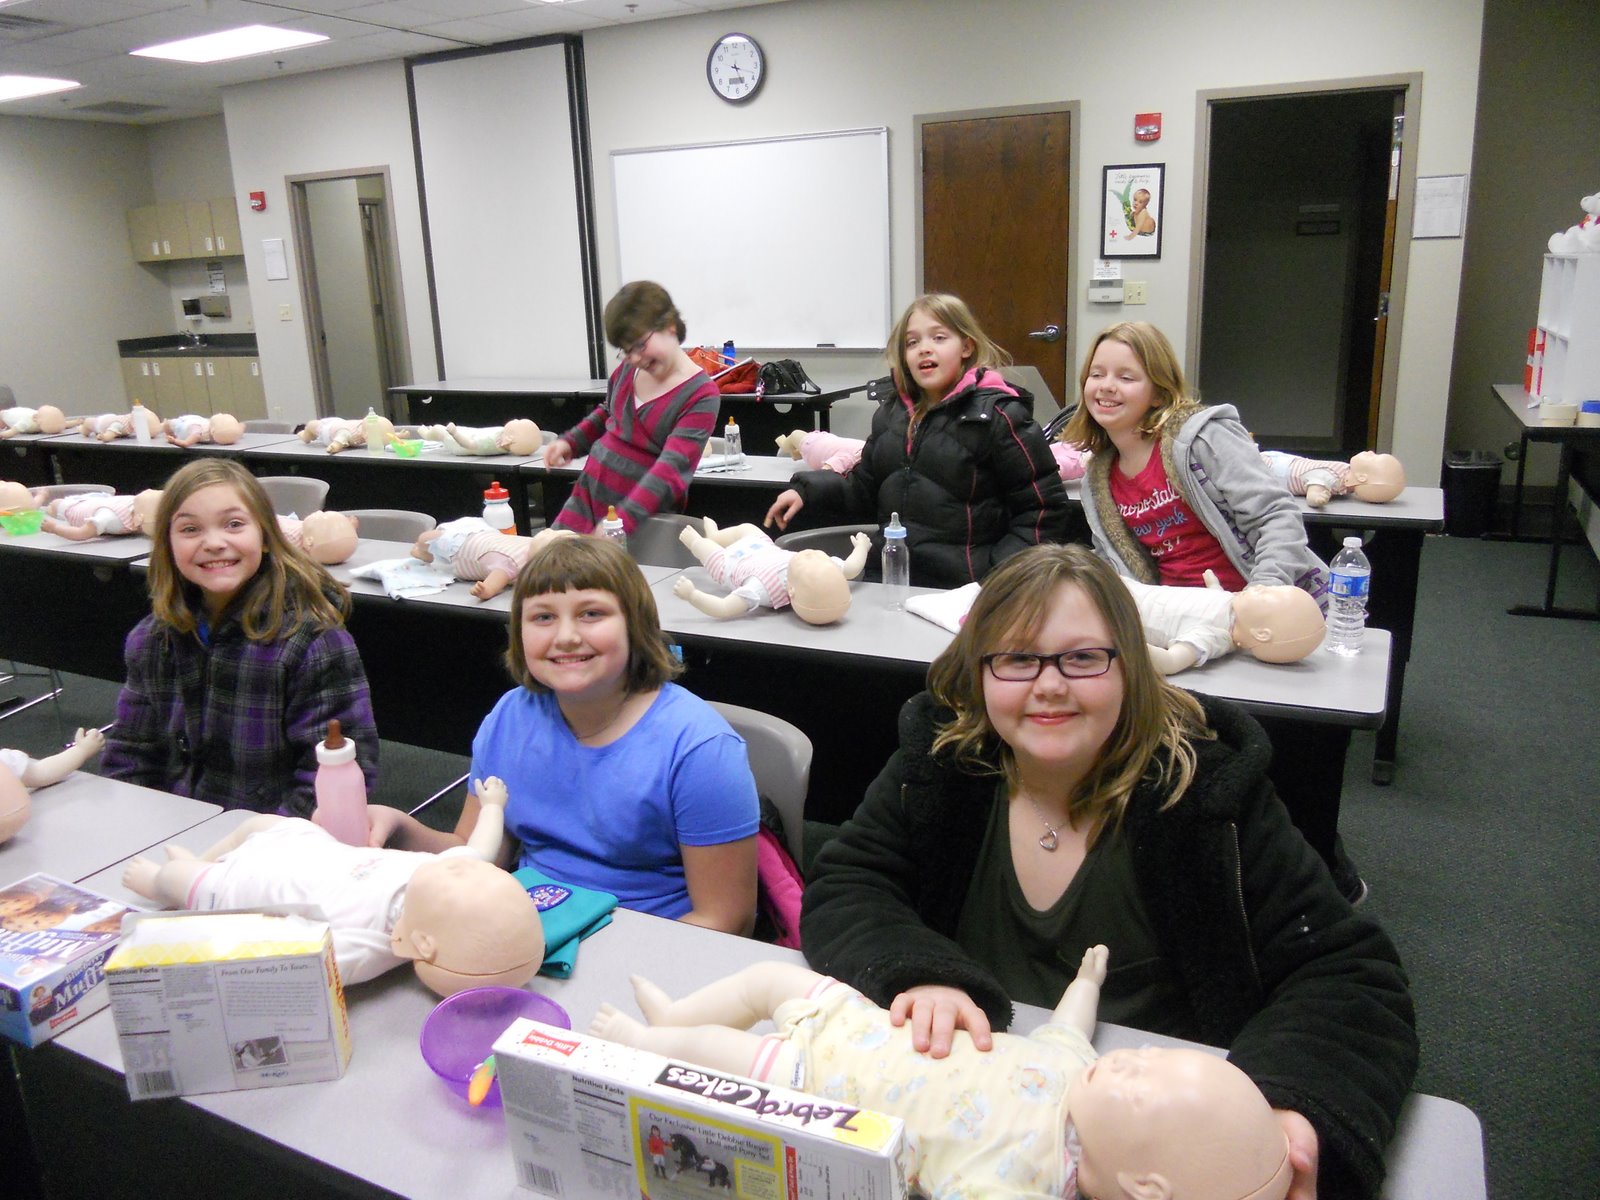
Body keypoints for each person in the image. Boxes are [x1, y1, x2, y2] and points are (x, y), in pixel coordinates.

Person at [800, 544, 1417, 1200]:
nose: (1050, 685)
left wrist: (1288, 1109)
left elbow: (1350, 978)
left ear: (1131, 666)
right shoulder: (948, 762)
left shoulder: (1204, 797)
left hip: (1135, 1163)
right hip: (963, 1126)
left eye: (1083, 657)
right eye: (1016, 658)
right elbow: (850, 883)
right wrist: (918, 973)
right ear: (979, 671)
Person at [591, 948, 1294, 1200]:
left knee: (718, 1057)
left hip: (822, 1087)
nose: (1134, 1058)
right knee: (770, 977)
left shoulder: (1024, 1184)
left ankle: (648, 1040)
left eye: (1143, 1085)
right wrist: (1087, 978)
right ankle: (674, 1013)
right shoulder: (1078, 1072)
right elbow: (1069, 1026)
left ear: (1146, 1188)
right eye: (1156, 1053)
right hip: (866, 1022)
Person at [369, 536, 759, 935]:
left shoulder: (700, 749)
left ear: (636, 625)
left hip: (649, 942)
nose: (566, 636)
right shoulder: (510, 717)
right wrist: (400, 828)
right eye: (542, 617)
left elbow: (726, 918)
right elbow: (479, 855)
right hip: (530, 932)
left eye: (591, 613)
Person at [101, 458, 378, 815]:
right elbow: (131, 752)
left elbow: (330, 781)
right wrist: (139, 826)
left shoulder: (313, 643)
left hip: (265, 846)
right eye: (190, 529)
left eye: (234, 525)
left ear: (264, 536)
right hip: (172, 834)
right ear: (168, 544)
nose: (214, 543)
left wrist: (243, 852)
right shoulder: (153, 639)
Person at [763, 293, 1074, 589]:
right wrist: (807, 490)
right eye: (913, 342)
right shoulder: (891, 416)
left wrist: (995, 579)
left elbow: (1042, 510)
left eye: (939, 338)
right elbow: (863, 489)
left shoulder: (998, 415)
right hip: (894, 580)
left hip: (968, 590)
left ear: (966, 347)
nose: (925, 349)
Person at [1062, 321, 1328, 604]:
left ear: (1159, 394)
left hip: (1249, 604)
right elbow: (1114, 560)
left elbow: (1276, 518)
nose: (1107, 387)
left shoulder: (1204, 438)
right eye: (1097, 374)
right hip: (1175, 614)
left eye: (1126, 378)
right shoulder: (1097, 478)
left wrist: (1263, 593)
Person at [545, 281, 719, 535]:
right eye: (626, 351)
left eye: (640, 345)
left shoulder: (700, 394)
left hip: (641, 519)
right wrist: (571, 443)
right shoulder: (628, 370)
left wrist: (620, 522)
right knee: (549, 561)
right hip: (588, 497)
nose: (635, 358)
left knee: (605, 575)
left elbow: (670, 471)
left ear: (670, 327)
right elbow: (608, 412)